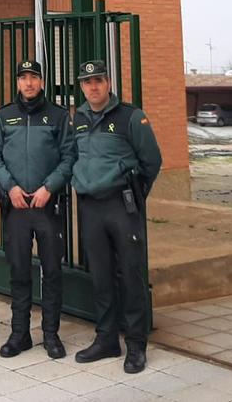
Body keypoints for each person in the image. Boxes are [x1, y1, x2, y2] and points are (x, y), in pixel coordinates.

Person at [70, 59, 162, 374]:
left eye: (98, 80)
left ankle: (136, 345)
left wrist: (135, 193)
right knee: (101, 274)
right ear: (81, 86)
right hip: (91, 206)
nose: (93, 87)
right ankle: (107, 339)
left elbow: (152, 160)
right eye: (86, 82)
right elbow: (73, 156)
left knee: (130, 273)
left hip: (122, 205)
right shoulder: (78, 118)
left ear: (108, 82)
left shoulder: (131, 117)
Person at [0, 59, 74, 359]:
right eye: (23, 77)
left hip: (47, 206)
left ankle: (51, 335)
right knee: (19, 272)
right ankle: (19, 334)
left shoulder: (58, 116)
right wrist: (10, 187)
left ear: (42, 81)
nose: (29, 83)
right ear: (18, 82)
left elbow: (68, 156)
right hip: (17, 207)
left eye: (34, 77)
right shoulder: (5, 115)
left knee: (51, 271)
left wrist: (49, 187)